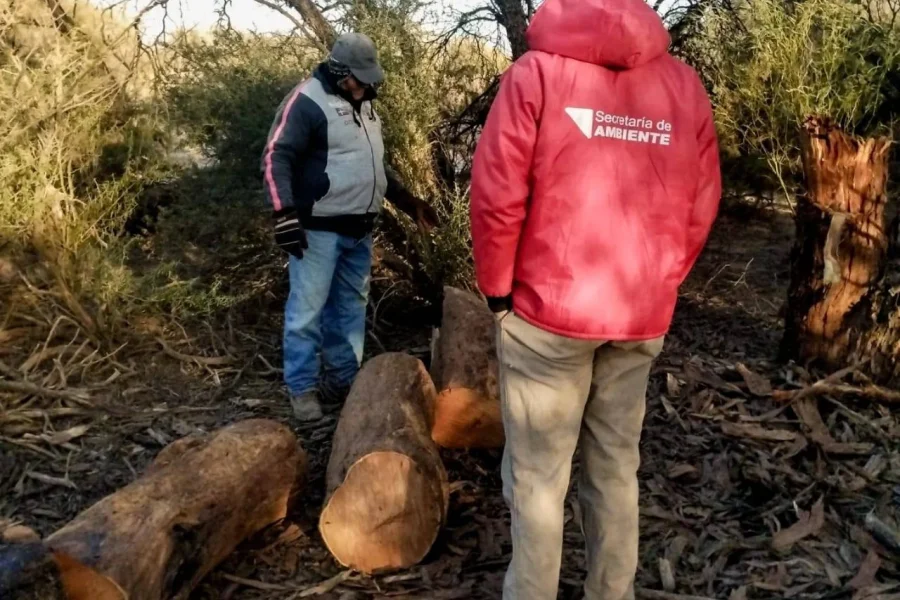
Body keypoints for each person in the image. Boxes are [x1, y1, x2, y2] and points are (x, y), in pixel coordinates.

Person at [469, 0, 722, 597]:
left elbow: (496, 192)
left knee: (537, 481)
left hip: (546, 314)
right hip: (638, 313)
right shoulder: (684, 86)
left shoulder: (536, 74)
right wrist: (662, 280)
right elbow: (702, 201)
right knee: (614, 468)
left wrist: (497, 289)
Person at [262, 32, 438, 421]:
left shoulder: (367, 106)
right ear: (340, 72)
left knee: (350, 308)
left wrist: (410, 204)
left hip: (359, 230)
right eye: (362, 78)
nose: (368, 84)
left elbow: (376, 166)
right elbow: (276, 156)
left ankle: (343, 383)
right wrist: (284, 213)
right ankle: (302, 389)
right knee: (307, 311)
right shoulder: (306, 101)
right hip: (317, 231)